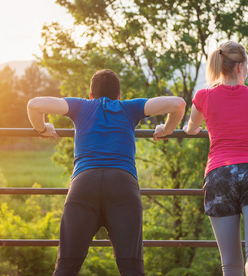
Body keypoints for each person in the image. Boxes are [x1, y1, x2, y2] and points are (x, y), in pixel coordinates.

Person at [27, 69, 186, 276]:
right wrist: (166, 129)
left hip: (84, 185)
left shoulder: (80, 105)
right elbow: (178, 104)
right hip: (123, 185)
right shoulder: (130, 107)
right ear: (119, 96)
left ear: (90, 95)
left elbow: (34, 105)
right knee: (131, 269)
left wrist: (41, 128)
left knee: (66, 268)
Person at [183, 41, 248, 276]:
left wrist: (181, 126)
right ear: (241, 66)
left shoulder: (203, 96)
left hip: (219, 175)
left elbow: (192, 128)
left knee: (230, 262)